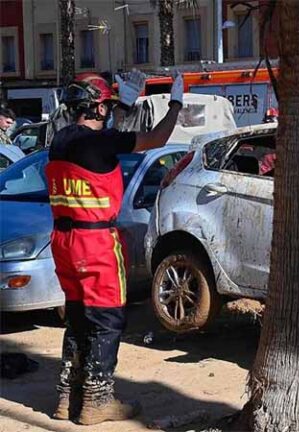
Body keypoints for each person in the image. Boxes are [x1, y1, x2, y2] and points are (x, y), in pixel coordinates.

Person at [46, 70, 184, 425]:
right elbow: (157, 137)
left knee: (77, 316)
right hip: (96, 242)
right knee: (107, 319)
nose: (108, 110)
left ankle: (67, 396)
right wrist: (175, 103)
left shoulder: (60, 141)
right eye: (104, 105)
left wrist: (122, 104)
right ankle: (96, 399)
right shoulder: (102, 144)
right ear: (95, 107)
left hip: (64, 241)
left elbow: (103, 136)